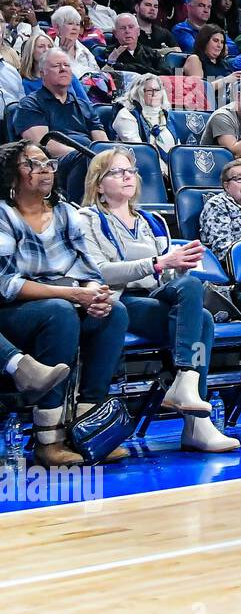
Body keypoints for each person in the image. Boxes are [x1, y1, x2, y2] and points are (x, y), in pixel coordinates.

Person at [77, 147, 237, 452]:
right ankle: (195, 420)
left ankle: (186, 386)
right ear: (98, 183)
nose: (127, 177)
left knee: (190, 287)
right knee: (201, 320)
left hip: (155, 293)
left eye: (131, 172)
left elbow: (166, 279)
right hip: (120, 300)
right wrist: (158, 263)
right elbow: (99, 271)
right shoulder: (88, 218)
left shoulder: (152, 220)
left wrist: (176, 266)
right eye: (117, 172)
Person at [0, 141, 129, 467]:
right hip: (16, 310)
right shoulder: (3, 215)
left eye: (48, 163)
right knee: (59, 314)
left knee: (114, 311)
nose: (44, 169)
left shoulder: (65, 211)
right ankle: (49, 440)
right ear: (11, 175)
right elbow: (6, 285)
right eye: (32, 164)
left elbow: (87, 268)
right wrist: (70, 295)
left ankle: (89, 430)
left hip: (66, 299)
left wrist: (94, 293)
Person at [12, 47, 107, 201]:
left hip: (90, 157)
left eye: (67, 65)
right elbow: (43, 146)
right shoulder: (30, 104)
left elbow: (101, 140)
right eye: (56, 66)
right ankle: (81, 208)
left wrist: (105, 156)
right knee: (84, 160)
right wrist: (87, 155)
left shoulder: (84, 105)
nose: (63, 69)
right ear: (42, 73)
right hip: (54, 164)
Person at [113, 74, 177, 167]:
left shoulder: (167, 115)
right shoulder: (126, 115)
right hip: (141, 167)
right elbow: (139, 150)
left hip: (170, 170)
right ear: (138, 92)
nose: (154, 94)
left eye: (157, 90)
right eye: (149, 90)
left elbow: (176, 147)